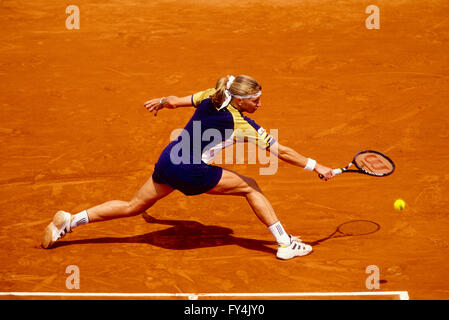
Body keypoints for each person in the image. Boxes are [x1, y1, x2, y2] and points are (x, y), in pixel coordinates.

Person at [41, 75, 335, 260]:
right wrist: (316, 165)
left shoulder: (212, 94)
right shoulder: (240, 122)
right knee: (250, 186)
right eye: (256, 100)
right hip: (191, 171)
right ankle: (284, 244)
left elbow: (174, 101)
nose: (261, 104)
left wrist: (161, 102)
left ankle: (70, 221)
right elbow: (281, 151)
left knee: (133, 206)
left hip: (169, 160)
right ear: (242, 101)